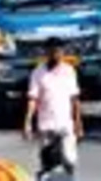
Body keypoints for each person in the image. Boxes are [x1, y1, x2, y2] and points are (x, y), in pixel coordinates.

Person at [23, 37, 83, 179]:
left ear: (62, 53)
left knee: (69, 160)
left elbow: (74, 99)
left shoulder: (69, 71)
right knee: (48, 162)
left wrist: (79, 124)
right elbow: (33, 99)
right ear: (46, 52)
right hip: (46, 126)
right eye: (52, 51)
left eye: (58, 51)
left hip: (65, 125)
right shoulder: (38, 73)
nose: (55, 54)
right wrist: (27, 123)